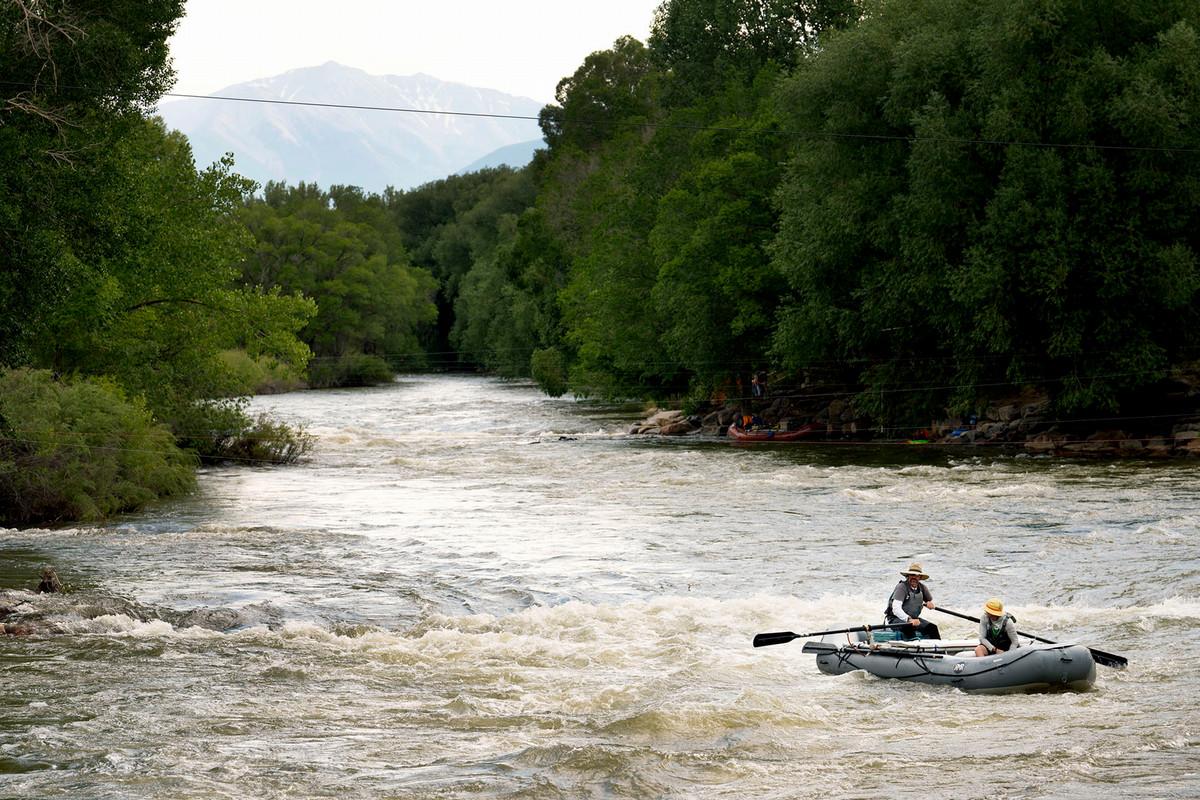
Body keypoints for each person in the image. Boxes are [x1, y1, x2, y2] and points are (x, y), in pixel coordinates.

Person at [884, 562, 941, 640]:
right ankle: (915, 646)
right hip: (895, 619)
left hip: (914, 619)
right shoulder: (902, 587)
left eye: (916, 576)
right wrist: (908, 619)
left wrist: (929, 603)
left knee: (932, 628)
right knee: (909, 626)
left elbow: (929, 600)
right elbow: (896, 608)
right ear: (908, 576)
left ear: (920, 577)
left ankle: (938, 648)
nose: (914, 578)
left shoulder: (922, 587)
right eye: (912, 575)